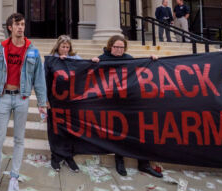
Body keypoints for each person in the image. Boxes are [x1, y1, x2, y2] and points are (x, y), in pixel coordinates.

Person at [0, 13, 48, 191]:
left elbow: (39, 79)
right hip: (3, 97)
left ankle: (14, 178)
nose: (21, 27)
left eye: (23, 24)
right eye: (17, 24)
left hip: (22, 97)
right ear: (10, 27)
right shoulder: (0, 49)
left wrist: (42, 103)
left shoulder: (32, 50)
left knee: (19, 139)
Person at [92, 34, 162, 178]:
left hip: (130, 101)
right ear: (110, 46)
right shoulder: (103, 59)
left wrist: (151, 60)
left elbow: (142, 67)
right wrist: (93, 62)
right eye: (116, 47)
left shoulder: (129, 59)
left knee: (139, 132)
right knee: (119, 133)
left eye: (121, 47)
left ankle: (144, 164)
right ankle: (119, 160)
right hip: (112, 104)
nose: (119, 50)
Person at [46, 35, 80, 173]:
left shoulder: (76, 59)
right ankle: (56, 157)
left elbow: (87, 69)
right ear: (58, 47)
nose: (65, 50)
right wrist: (45, 100)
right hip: (54, 100)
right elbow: (44, 79)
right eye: (63, 47)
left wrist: (95, 61)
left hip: (70, 101)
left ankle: (69, 157)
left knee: (70, 129)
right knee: (55, 130)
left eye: (67, 47)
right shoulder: (50, 60)